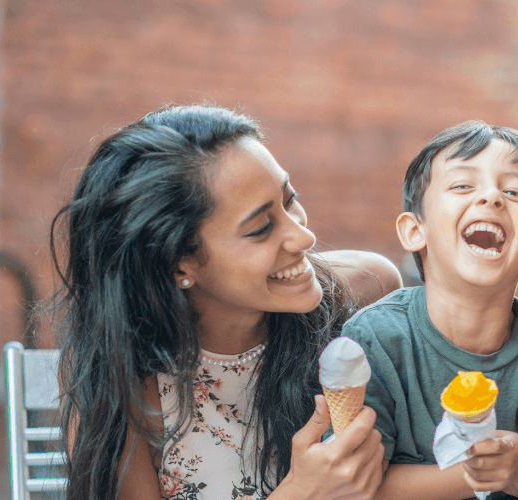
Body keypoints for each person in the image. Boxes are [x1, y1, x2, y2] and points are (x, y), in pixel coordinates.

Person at [50, 104, 401, 499]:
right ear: (178, 262)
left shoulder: (363, 293)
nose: (303, 237)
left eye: (290, 199)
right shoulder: (126, 385)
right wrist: (301, 493)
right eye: (261, 228)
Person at [343, 120, 518, 500]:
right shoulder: (373, 340)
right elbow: (356, 484)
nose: (491, 198)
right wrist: (483, 474)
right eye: (462, 185)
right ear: (414, 231)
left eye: (513, 191)